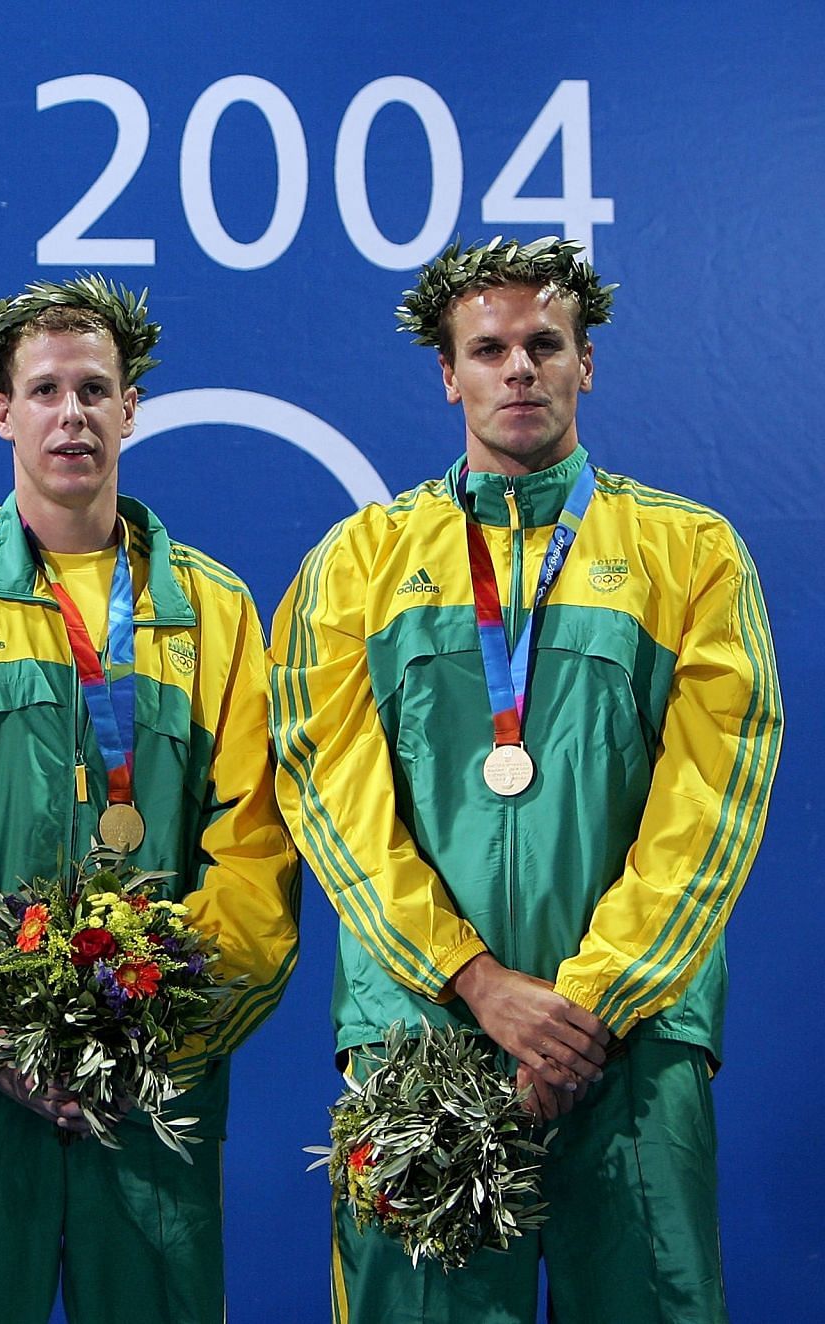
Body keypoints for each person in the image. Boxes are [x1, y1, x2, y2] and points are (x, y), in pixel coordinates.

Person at [269, 236, 783, 1322]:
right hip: (424, 1027)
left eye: (544, 344)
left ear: (584, 362)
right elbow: (334, 801)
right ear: (447, 374)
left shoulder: (692, 554)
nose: (518, 369)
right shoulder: (356, 562)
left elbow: (712, 804)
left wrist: (590, 1002)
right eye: (489, 348)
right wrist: (476, 980)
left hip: (632, 1043)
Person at [0, 275, 300, 1324]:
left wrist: (157, 1029)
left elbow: (258, 851)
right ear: (1, 412)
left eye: (97, 390)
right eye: (48, 390)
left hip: (155, 1089)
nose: (73, 414)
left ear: (132, 408)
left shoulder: (218, 609)